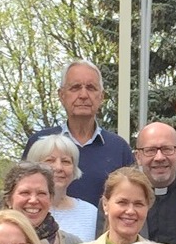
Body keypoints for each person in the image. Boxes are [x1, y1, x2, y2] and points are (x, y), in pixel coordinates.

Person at [23, 59, 134, 205]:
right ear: (62, 95)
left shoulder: (119, 148)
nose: (83, 95)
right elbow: (21, 193)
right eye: (75, 87)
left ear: (101, 97)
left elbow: (132, 198)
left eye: (91, 88)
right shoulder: (40, 143)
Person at [26, 134, 99, 243]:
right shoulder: (26, 209)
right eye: (50, 160)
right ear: (34, 167)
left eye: (66, 161)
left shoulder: (91, 213)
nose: (58, 167)